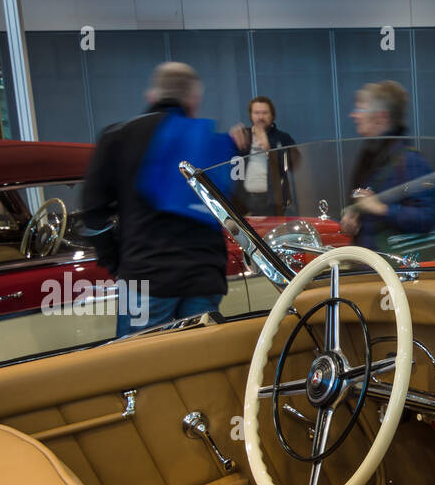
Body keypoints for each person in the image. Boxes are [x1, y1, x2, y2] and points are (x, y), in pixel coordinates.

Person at [83, 62, 249, 337]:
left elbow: (93, 213)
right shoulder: (211, 142)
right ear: (194, 100)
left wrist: (119, 262)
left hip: (146, 275)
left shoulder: (118, 136)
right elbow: (232, 207)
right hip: (203, 276)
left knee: (144, 369)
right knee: (201, 366)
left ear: (152, 95)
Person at [340, 81, 435, 254]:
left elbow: (427, 217)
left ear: (382, 117)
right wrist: (355, 218)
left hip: (399, 269)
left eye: (361, 109)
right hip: (373, 263)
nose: (354, 115)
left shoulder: (409, 160)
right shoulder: (370, 155)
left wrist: (381, 208)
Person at [234, 95, 297, 217]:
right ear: (251, 115)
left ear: (272, 115)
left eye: (264, 113)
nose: (260, 117)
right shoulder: (243, 136)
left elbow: (293, 164)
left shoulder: (283, 138)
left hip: (273, 204)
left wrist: (269, 148)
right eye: (256, 113)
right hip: (245, 203)